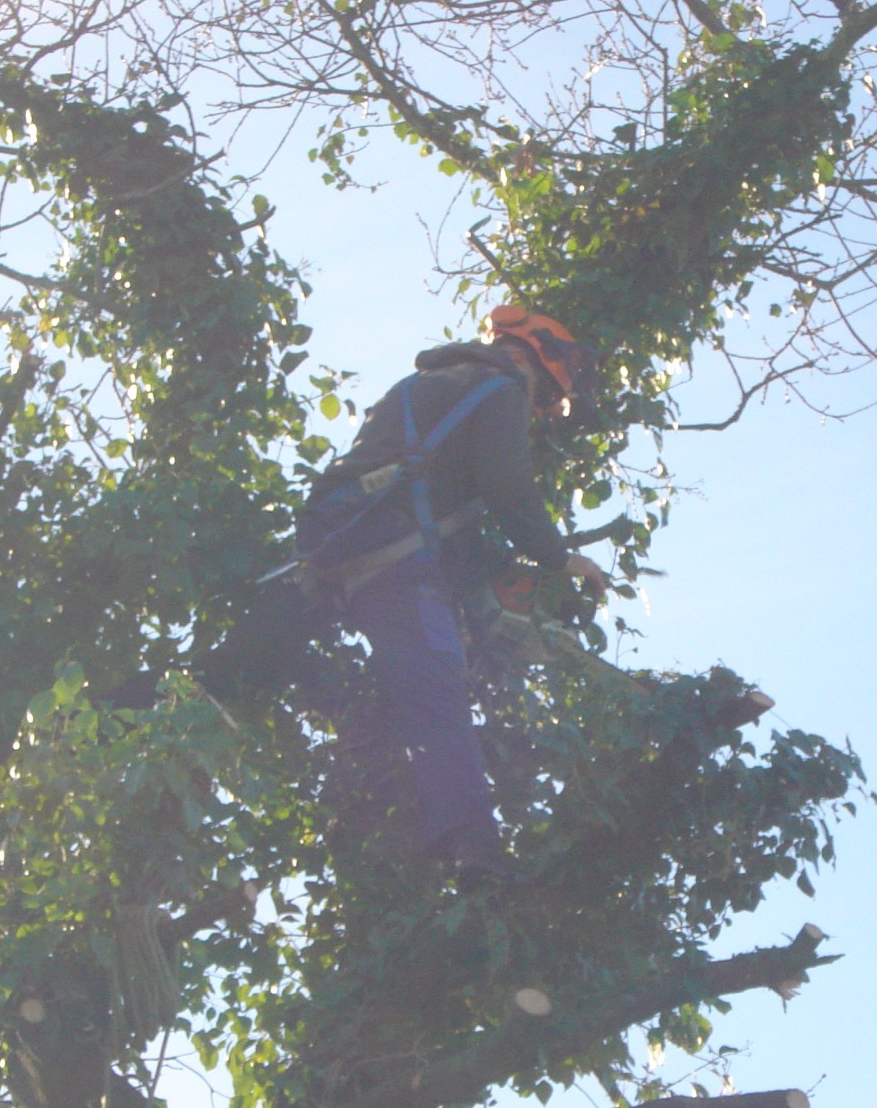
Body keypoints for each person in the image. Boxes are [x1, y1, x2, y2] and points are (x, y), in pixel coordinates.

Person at [196, 305, 611, 875]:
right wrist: (562, 558)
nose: (537, 412)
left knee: (240, 667)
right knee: (438, 690)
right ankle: (474, 852)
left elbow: (442, 500)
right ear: (530, 361)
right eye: (543, 398)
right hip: (390, 552)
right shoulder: (501, 388)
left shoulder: (424, 384)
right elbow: (506, 488)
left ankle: (146, 706)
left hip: (335, 538)